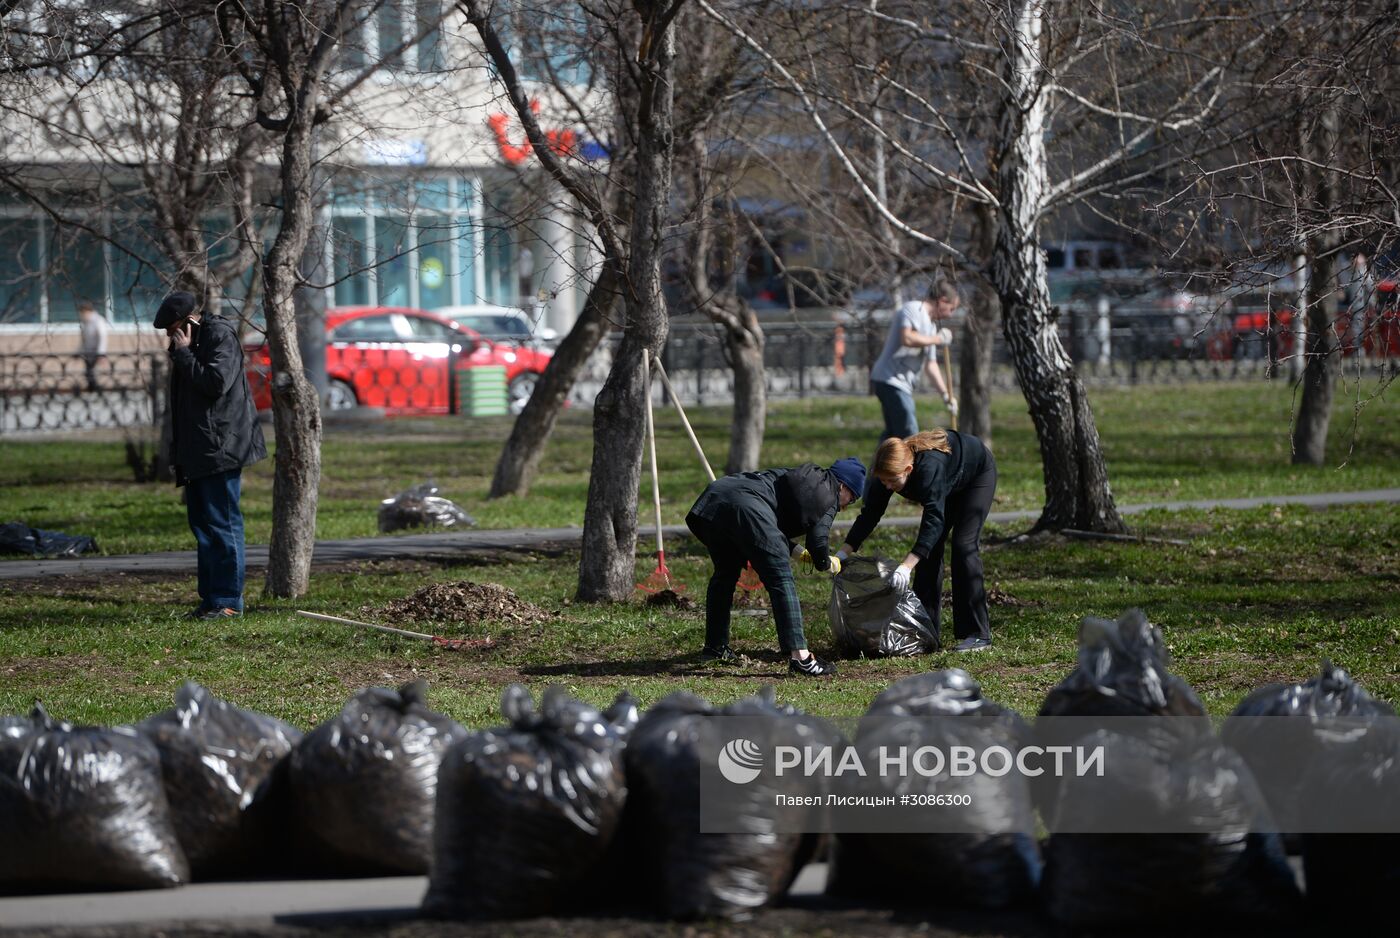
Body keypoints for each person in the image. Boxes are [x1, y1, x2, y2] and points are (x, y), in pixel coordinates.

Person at [686, 458, 867, 676]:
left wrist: (798, 552)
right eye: (852, 499)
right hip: (746, 508)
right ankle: (801, 658)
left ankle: (715, 647)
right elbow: (818, 541)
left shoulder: (802, 477)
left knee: (725, 574)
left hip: (715, 499)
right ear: (843, 486)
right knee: (781, 578)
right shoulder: (828, 492)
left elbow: (769, 518)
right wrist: (824, 563)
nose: (846, 507)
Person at [153, 290, 266, 620]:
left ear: (189, 321)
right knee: (203, 527)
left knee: (223, 524)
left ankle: (229, 601)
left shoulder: (218, 336)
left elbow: (216, 383)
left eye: (174, 328)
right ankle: (212, 600)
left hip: (222, 447)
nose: (171, 336)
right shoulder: (186, 347)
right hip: (199, 450)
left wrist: (185, 355)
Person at [838, 429, 996, 652]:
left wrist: (906, 566)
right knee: (929, 554)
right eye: (883, 481)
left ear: (909, 470)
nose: (887, 487)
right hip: (945, 484)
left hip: (975, 476)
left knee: (963, 545)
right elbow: (869, 515)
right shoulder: (885, 474)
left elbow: (933, 520)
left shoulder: (929, 468)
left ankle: (977, 633)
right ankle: (925, 629)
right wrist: (843, 553)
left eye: (892, 481)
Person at [869, 279, 959, 442]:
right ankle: (913, 467)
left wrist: (946, 395)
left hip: (900, 384)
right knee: (910, 435)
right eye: (951, 308)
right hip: (890, 380)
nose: (950, 315)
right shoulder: (913, 309)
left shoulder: (931, 328)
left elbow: (930, 365)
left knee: (892, 437)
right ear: (943, 300)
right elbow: (907, 338)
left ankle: (880, 466)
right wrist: (937, 339)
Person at [77, 300, 109, 392]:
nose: (82, 315)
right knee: (88, 371)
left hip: (96, 351)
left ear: (87, 311)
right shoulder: (85, 322)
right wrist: (79, 351)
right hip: (88, 351)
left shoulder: (98, 320)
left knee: (92, 371)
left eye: (83, 312)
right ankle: (92, 388)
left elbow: (102, 337)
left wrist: (101, 353)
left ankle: (95, 388)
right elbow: (84, 339)